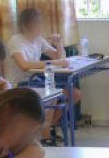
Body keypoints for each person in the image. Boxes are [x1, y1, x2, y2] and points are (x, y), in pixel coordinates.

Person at [6, 8, 80, 144]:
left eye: (40, 23)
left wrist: (59, 44)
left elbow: (59, 58)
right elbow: (24, 65)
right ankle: (45, 138)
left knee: (73, 94)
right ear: (26, 25)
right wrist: (53, 63)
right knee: (51, 95)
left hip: (36, 81)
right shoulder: (15, 41)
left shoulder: (38, 40)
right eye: (37, 23)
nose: (40, 27)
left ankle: (47, 129)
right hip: (20, 85)